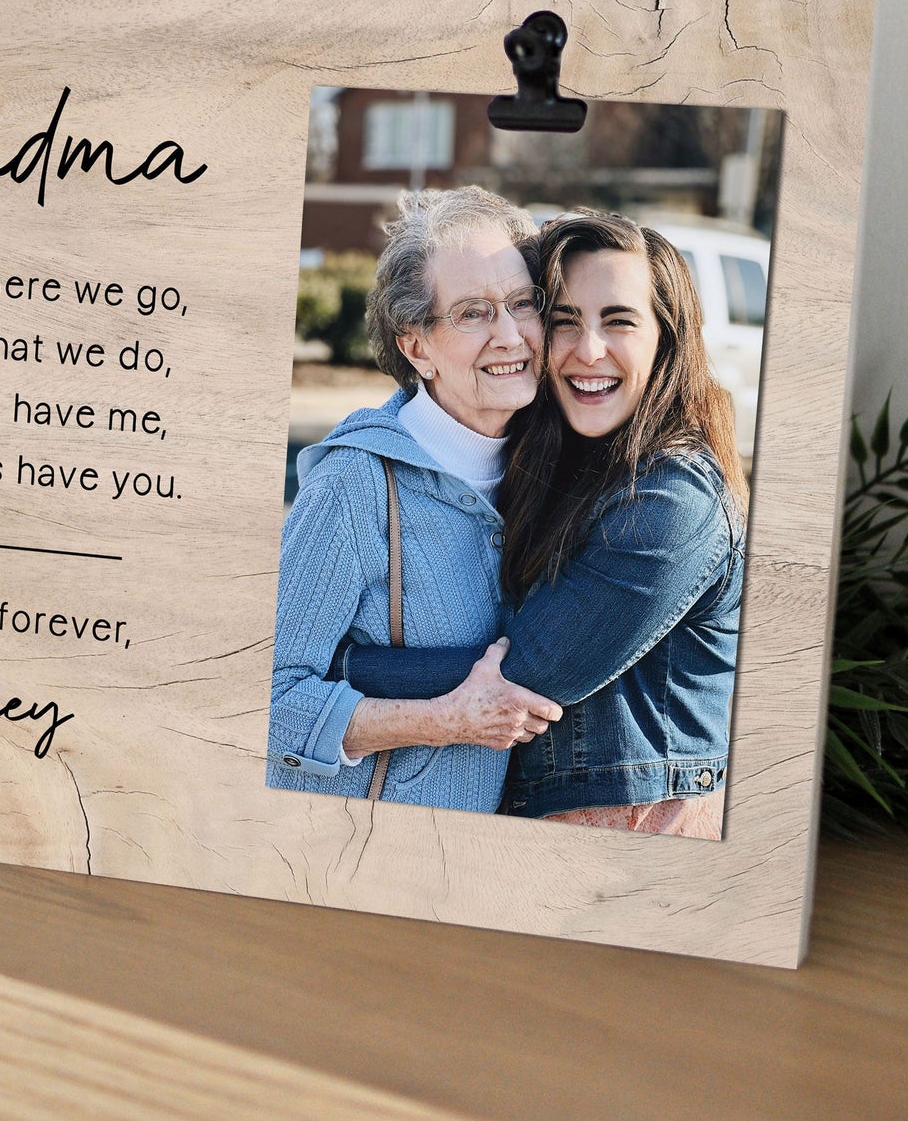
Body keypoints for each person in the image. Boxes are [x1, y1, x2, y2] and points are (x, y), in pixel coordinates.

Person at [331, 211, 747, 837]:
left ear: (668, 339)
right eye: (564, 321)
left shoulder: (673, 500)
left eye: (619, 322)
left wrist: (337, 669)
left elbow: (525, 671)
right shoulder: (569, 465)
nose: (588, 350)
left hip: (634, 835)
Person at [267, 187, 563, 812]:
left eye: (522, 303)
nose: (510, 335)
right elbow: (267, 704)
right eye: (473, 313)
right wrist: (445, 720)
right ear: (416, 347)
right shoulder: (353, 488)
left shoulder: (555, 472)